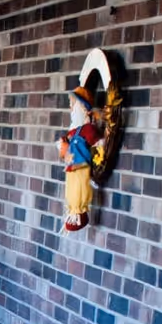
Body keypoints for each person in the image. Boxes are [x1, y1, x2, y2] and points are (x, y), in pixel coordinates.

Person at [60, 85, 103, 232]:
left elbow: (99, 143)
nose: (71, 110)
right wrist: (63, 146)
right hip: (71, 167)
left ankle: (79, 213)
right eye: (71, 106)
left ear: (83, 108)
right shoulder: (74, 131)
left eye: (73, 105)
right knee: (70, 190)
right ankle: (71, 211)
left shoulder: (88, 130)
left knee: (80, 190)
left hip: (82, 167)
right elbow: (64, 146)